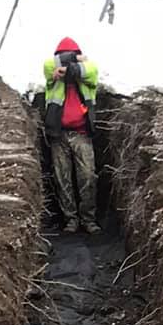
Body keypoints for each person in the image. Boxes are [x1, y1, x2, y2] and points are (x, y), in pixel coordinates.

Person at [41, 36, 99, 237]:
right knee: (62, 179)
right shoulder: (52, 74)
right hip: (59, 135)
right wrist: (72, 61)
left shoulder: (88, 75)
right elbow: (49, 65)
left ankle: (88, 220)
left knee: (87, 178)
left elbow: (91, 69)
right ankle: (70, 220)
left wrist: (74, 67)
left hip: (82, 135)